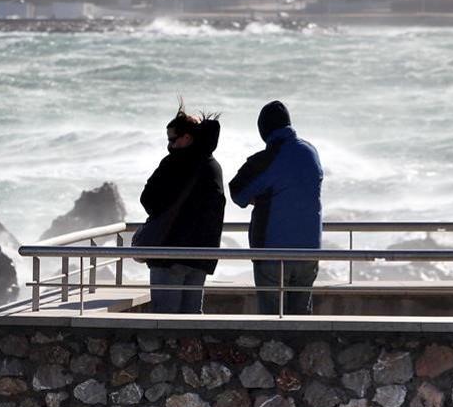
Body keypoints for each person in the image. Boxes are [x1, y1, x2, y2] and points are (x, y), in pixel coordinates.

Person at [228, 100, 324, 314]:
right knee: (300, 320)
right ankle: (301, 348)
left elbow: (237, 192)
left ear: (264, 130)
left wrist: (260, 197)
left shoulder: (267, 159)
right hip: (309, 250)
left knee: (272, 321)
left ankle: (275, 348)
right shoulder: (311, 152)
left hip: (272, 252)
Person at [139, 103, 226, 313]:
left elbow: (148, 199)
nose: (169, 145)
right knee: (191, 321)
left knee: (164, 318)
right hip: (200, 255)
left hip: (170, 253)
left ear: (187, 138)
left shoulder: (174, 163)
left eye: (172, 139)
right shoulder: (213, 166)